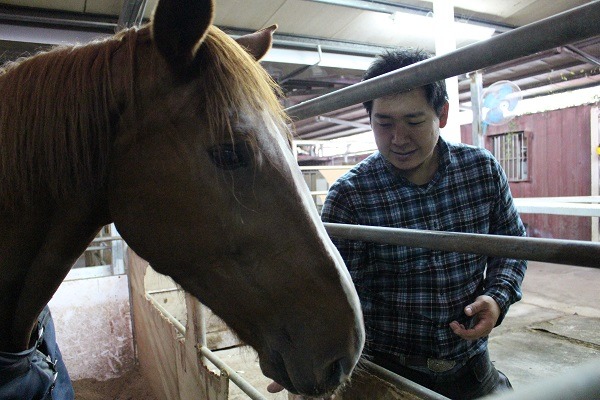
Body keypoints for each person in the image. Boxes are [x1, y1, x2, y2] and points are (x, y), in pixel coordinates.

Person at [319, 48, 527, 399]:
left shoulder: (481, 170)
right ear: (368, 117)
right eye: (384, 123)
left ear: (442, 114)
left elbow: (512, 245)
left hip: (473, 367)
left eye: (414, 122)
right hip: (387, 375)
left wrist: (497, 297)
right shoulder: (351, 196)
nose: (399, 139)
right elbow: (333, 296)